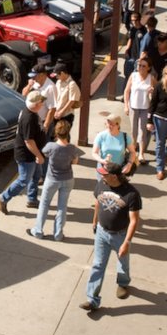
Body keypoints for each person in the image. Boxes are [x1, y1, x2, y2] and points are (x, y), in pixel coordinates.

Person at [79, 161, 142, 311]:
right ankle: (92, 300)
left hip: (120, 235)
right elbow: (98, 202)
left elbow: (134, 220)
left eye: (104, 174)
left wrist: (127, 242)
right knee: (98, 264)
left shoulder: (131, 194)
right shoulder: (102, 183)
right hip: (101, 232)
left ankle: (123, 283)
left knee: (123, 262)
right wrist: (94, 221)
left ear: (114, 176)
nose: (101, 175)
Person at [28, 120, 82, 241]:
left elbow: (42, 156)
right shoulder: (72, 148)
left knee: (44, 204)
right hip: (68, 179)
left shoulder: (50, 146)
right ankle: (58, 233)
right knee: (62, 207)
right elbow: (75, 162)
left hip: (52, 179)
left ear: (56, 132)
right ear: (68, 132)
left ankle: (38, 230)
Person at [0, 90, 47, 213]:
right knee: (23, 180)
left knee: (36, 175)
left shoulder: (31, 112)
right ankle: (3, 198)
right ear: (36, 104)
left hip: (33, 154)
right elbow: (29, 141)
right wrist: (38, 155)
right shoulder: (28, 118)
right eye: (41, 102)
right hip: (27, 155)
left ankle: (32, 199)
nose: (43, 104)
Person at [124, 58, 156, 165]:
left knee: (142, 131)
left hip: (145, 107)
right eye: (139, 65)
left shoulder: (151, 78)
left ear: (149, 68)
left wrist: (152, 92)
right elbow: (127, 91)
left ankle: (141, 154)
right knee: (133, 131)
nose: (140, 68)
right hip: (133, 106)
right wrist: (126, 106)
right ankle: (133, 152)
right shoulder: (133, 76)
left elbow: (157, 93)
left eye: (143, 66)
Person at [92, 113, 138, 178]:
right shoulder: (101, 135)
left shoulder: (125, 137)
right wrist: (102, 160)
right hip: (104, 168)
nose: (109, 126)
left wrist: (129, 164)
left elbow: (132, 152)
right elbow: (94, 153)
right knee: (103, 187)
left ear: (118, 125)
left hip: (118, 169)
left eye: (112, 124)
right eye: (108, 123)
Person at [50, 63, 81, 138]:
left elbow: (71, 101)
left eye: (57, 75)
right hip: (56, 114)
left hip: (66, 115)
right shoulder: (58, 82)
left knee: (64, 136)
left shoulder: (72, 84)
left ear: (63, 73)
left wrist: (61, 112)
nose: (56, 77)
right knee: (54, 136)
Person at [121, 11, 145, 78]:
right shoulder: (132, 29)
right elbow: (130, 39)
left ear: (139, 19)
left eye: (135, 20)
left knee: (136, 75)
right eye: (132, 20)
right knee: (127, 73)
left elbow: (145, 46)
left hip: (138, 57)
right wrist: (127, 49)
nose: (133, 22)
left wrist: (141, 57)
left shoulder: (144, 30)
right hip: (130, 55)